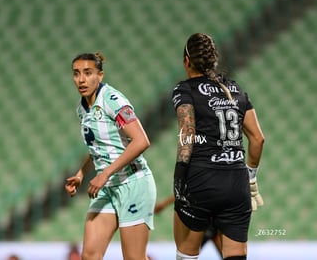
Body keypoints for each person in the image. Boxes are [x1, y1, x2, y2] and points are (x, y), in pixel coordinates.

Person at [171, 33, 265, 260]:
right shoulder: (235, 89)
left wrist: (179, 181)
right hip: (236, 183)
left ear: (186, 60)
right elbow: (258, 139)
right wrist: (250, 176)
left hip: (201, 180)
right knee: (235, 255)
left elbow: (187, 135)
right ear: (214, 60)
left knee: (187, 253)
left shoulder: (185, 90)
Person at [65, 52, 157, 260]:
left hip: (133, 183)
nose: (81, 79)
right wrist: (81, 173)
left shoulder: (113, 100)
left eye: (88, 73)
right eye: (76, 73)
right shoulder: (82, 109)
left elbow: (141, 141)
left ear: (100, 75)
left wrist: (104, 174)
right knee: (89, 256)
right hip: (107, 189)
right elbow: (98, 148)